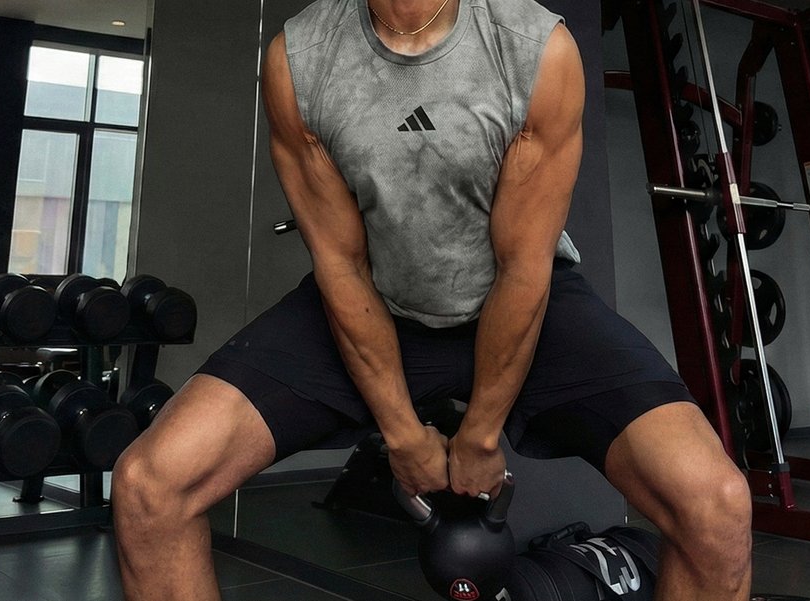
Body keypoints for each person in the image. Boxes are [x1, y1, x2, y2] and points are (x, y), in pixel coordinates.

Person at [112, 0, 752, 599]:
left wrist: (480, 434)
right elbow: (341, 262)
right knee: (151, 486)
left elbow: (522, 266)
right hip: (373, 298)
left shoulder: (533, 48)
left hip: (526, 300)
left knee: (715, 504)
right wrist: (400, 433)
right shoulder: (300, 60)